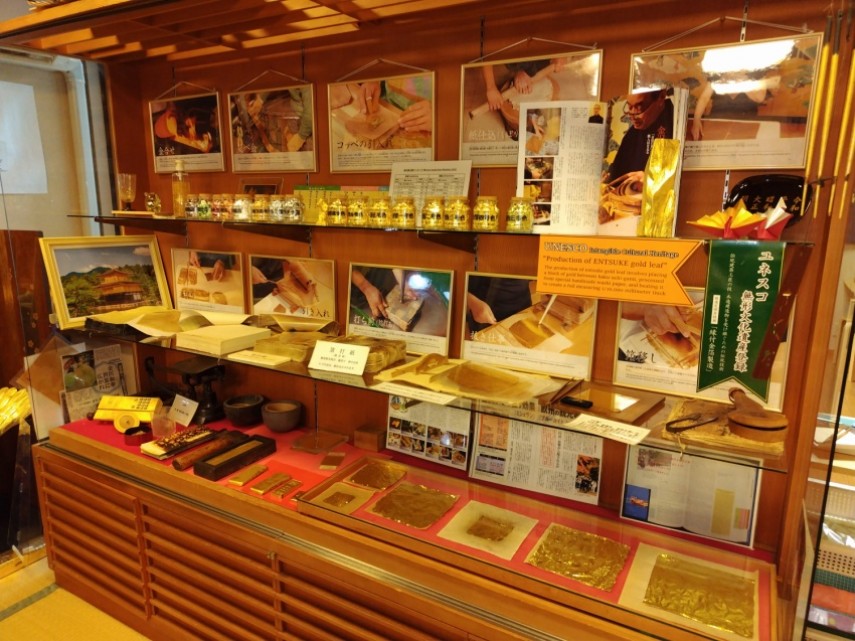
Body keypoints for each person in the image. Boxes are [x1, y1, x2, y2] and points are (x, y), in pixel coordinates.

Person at [606, 88, 673, 183]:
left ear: (661, 97)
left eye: (639, 107)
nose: (633, 117)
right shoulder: (633, 134)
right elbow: (617, 172)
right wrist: (608, 178)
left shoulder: (674, 121)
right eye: (629, 107)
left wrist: (648, 179)